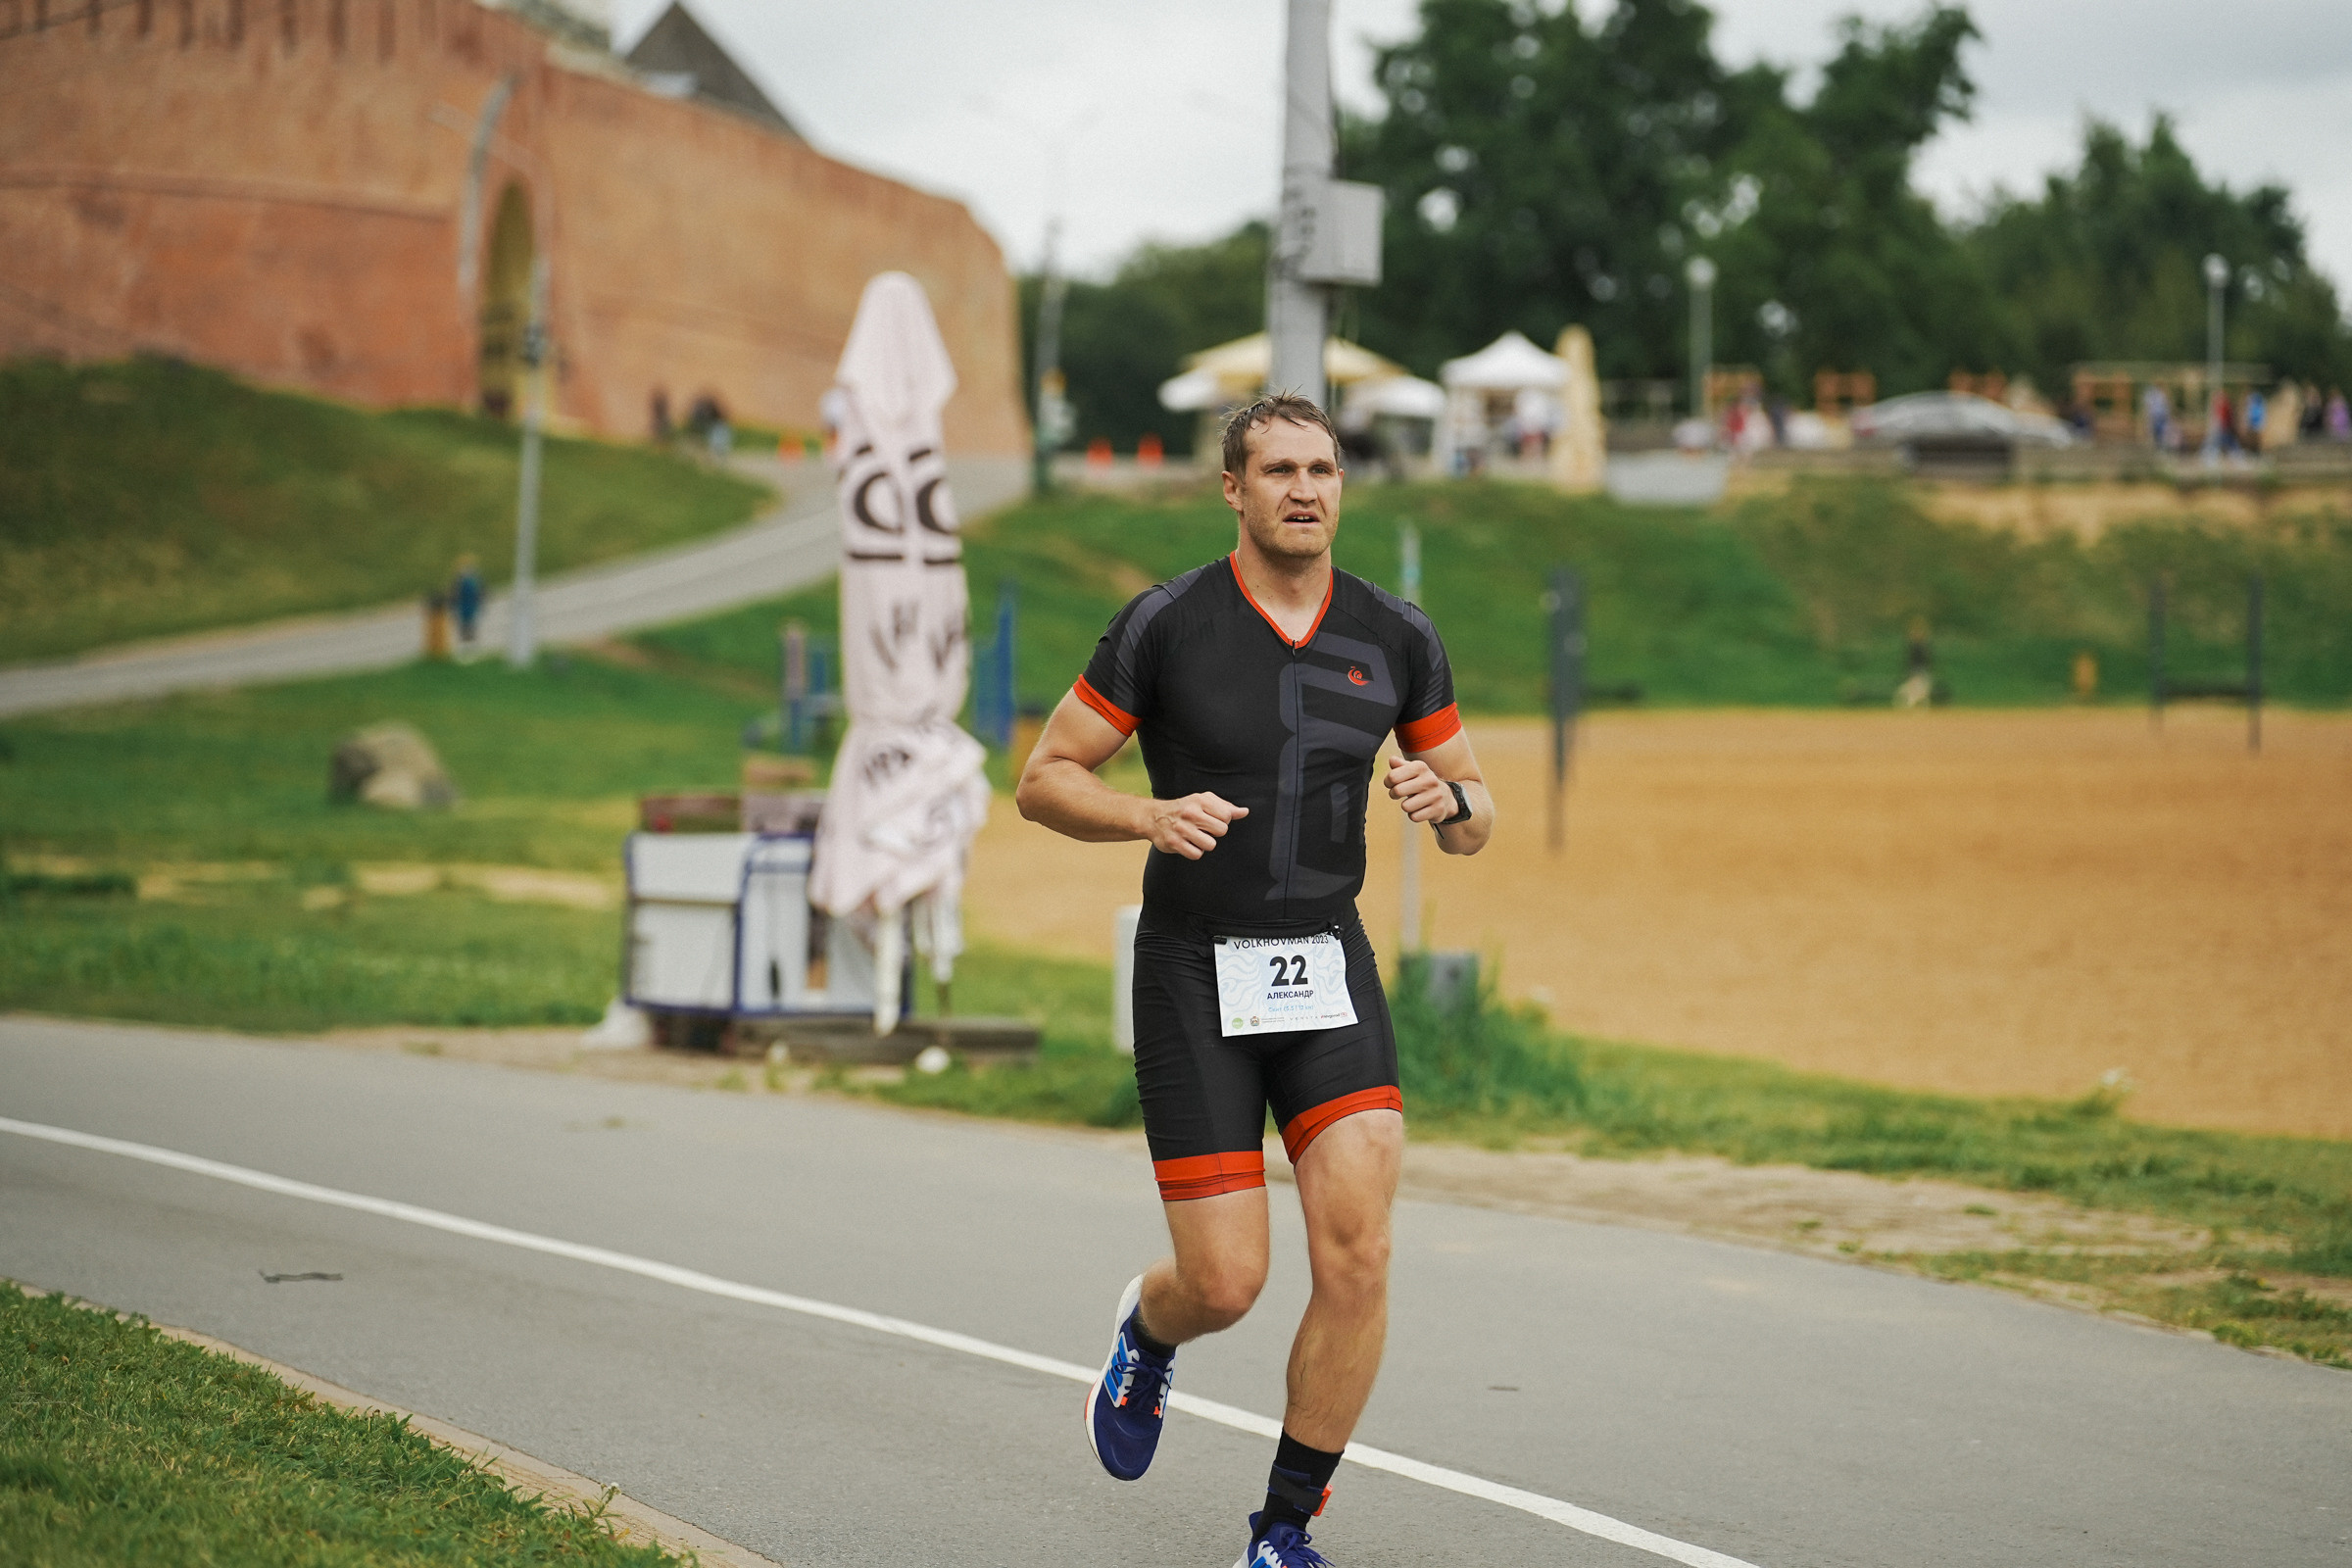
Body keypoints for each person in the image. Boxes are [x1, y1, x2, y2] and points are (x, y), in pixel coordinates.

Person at [1015, 393, 1493, 1568]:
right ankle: (1150, 1328)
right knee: (1227, 1280)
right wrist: (1144, 814)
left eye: (1322, 469)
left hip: (1325, 962)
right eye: (1279, 470)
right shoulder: (1166, 624)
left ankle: (1282, 1531)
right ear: (1232, 487)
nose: (1305, 490)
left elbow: (1475, 814)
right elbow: (1044, 777)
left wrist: (1450, 801)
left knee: (1359, 1249)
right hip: (1193, 969)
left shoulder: (1395, 634)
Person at [451, 556, 484, 651]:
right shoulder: (472, 581)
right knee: (469, 625)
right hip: (467, 607)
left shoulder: (462, 581)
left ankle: (467, 642)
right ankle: (469, 642)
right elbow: (480, 594)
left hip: (467, 607)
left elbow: (455, 595)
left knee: (467, 625)